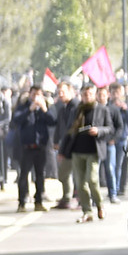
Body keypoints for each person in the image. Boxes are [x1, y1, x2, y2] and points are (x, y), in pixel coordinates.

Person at [64, 87, 113, 221]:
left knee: (92, 179)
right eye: (85, 94)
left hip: (93, 150)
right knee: (80, 183)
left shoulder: (102, 109)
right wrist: (63, 150)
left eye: (90, 94)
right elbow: (68, 131)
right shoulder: (76, 110)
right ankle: (87, 211)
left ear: (95, 94)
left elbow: (110, 128)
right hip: (77, 150)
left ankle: (99, 205)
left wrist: (99, 130)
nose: (87, 97)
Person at [10, 85, 55, 212]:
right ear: (30, 94)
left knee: (40, 176)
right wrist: (30, 109)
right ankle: (22, 203)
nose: (36, 97)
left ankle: (39, 201)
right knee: (24, 175)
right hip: (26, 147)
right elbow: (16, 120)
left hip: (40, 147)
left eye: (38, 94)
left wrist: (44, 109)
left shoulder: (44, 108)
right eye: (34, 94)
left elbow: (52, 121)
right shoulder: (23, 106)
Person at [50, 81, 76, 210]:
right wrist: (55, 141)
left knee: (70, 173)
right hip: (64, 144)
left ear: (71, 91)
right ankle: (67, 197)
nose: (60, 94)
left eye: (63, 92)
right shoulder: (62, 108)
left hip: (74, 145)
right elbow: (59, 126)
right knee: (63, 173)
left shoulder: (75, 106)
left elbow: (71, 129)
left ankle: (72, 198)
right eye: (58, 92)